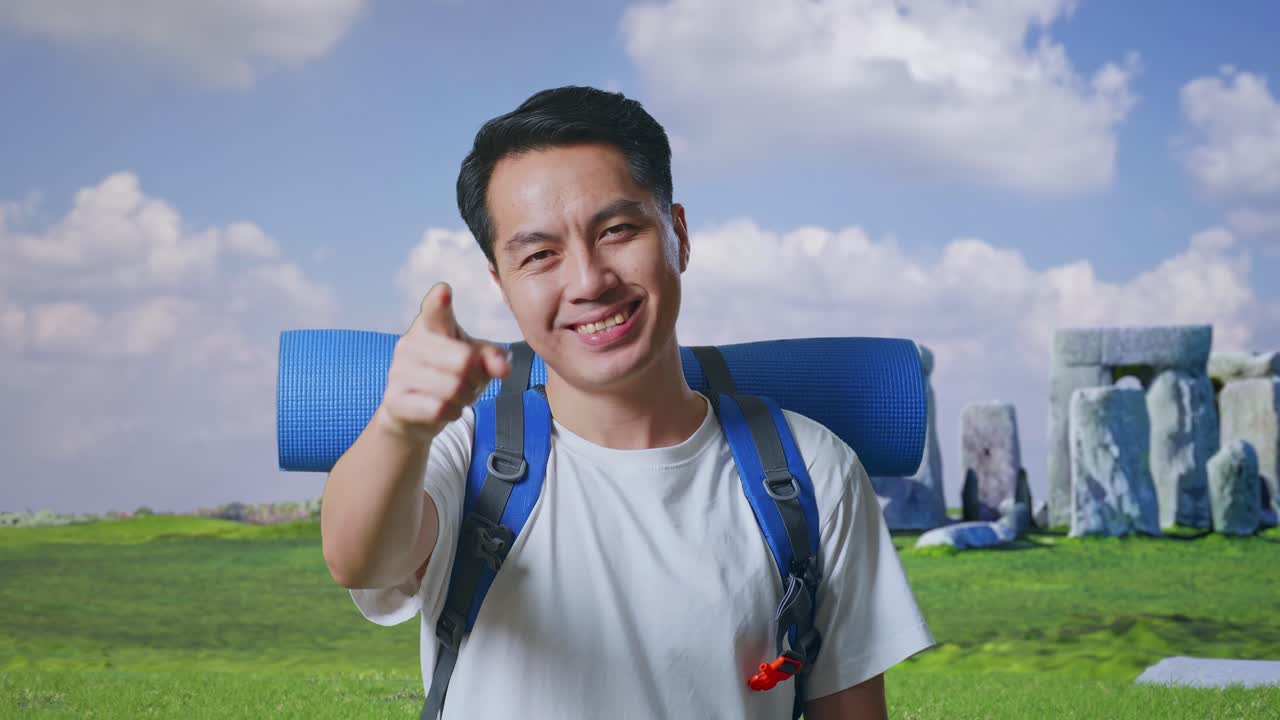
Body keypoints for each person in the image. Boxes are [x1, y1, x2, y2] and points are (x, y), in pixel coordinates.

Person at [320, 85, 935, 719]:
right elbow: (359, 557)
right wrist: (399, 424)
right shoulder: (469, 455)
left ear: (680, 236)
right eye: (539, 255)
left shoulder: (812, 471)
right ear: (501, 285)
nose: (589, 281)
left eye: (617, 230)